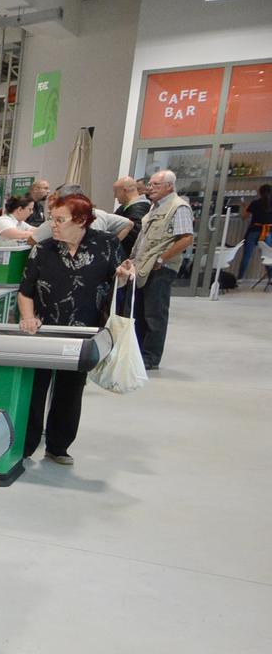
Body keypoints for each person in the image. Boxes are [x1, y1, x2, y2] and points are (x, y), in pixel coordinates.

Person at [17, 193, 137, 466]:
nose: (53, 225)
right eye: (52, 219)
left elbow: (119, 279)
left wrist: (123, 275)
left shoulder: (106, 245)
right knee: (35, 389)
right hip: (43, 332)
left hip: (84, 332)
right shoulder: (43, 250)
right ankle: (25, 446)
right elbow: (25, 291)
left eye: (60, 220)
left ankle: (58, 446)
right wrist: (28, 318)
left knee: (70, 391)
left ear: (81, 220)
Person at [130, 169, 194, 370]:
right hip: (143, 267)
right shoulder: (154, 207)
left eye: (156, 184)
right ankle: (139, 353)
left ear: (169, 186)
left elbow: (186, 238)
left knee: (154, 314)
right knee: (140, 312)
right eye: (150, 184)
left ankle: (150, 358)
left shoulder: (178, 207)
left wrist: (161, 258)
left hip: (161, 268)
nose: (151, 188)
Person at [27, 186, 132, 245]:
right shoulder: (100, 213)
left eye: (55, 198)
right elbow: (128, 224)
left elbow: (32, 240)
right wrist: (113, 244)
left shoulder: (56, 221)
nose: (52, 201)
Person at [238, 184, 272, 279]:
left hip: (254, 231)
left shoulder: (255, 203)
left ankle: (239, 279)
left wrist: (245, 207)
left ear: (260, 193)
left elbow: (244, 217)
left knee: (246, 256)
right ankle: (270, 279)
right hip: (267, 232)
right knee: (267, 256)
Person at [112, 175, 151, 257]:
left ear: (124, 191)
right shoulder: (126, 207)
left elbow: (134, 235)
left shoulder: (139, 208)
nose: (115, 196)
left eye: (116, 192)